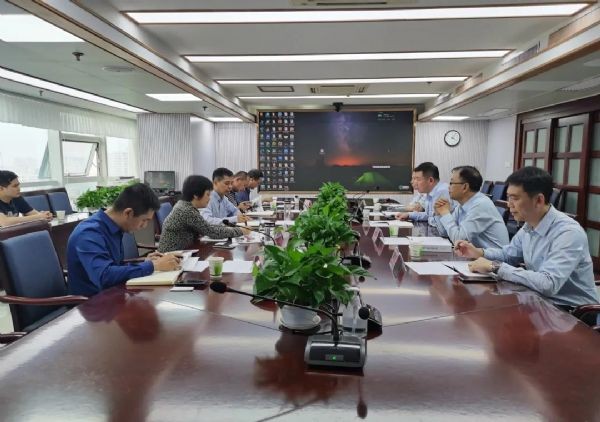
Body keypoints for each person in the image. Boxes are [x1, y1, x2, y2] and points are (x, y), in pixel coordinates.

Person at [456, 166, 598, 309]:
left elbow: (548, 284)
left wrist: (495, 266)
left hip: (572, 312)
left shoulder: (568, 232)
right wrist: (478, 252)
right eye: (508, 197)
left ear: (539, 200)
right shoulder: (529, 225)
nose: (509, 204)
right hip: (539, 302)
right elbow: (509, 255)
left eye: (515, 198)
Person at [67, 183, 180, 296]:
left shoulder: (114, 227)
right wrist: (153, 266)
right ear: (128, 213)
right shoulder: (89, 233)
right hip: (91, 302)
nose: (144, 226)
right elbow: (104, 276)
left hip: (112, 294)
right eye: (144, 220)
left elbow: (114, 266)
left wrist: (144, 262)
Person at [159, 175, 250, 252]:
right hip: (171, 258)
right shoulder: (186, 211)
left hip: (183, 252)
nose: (209, 198)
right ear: (196, 195)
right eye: (207, 194)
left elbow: (207, 227)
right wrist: (240, 231)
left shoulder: (185, 206)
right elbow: (210, 231)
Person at [434, 165, 509, 248]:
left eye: (451, 183)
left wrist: (445, 213)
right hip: (475, 253)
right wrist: (439, 213)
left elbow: (458, 240)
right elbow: (444, 233)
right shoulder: (462, 204)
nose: (449, 187)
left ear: (465, 187)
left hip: (492, 256)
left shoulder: (480, 205)